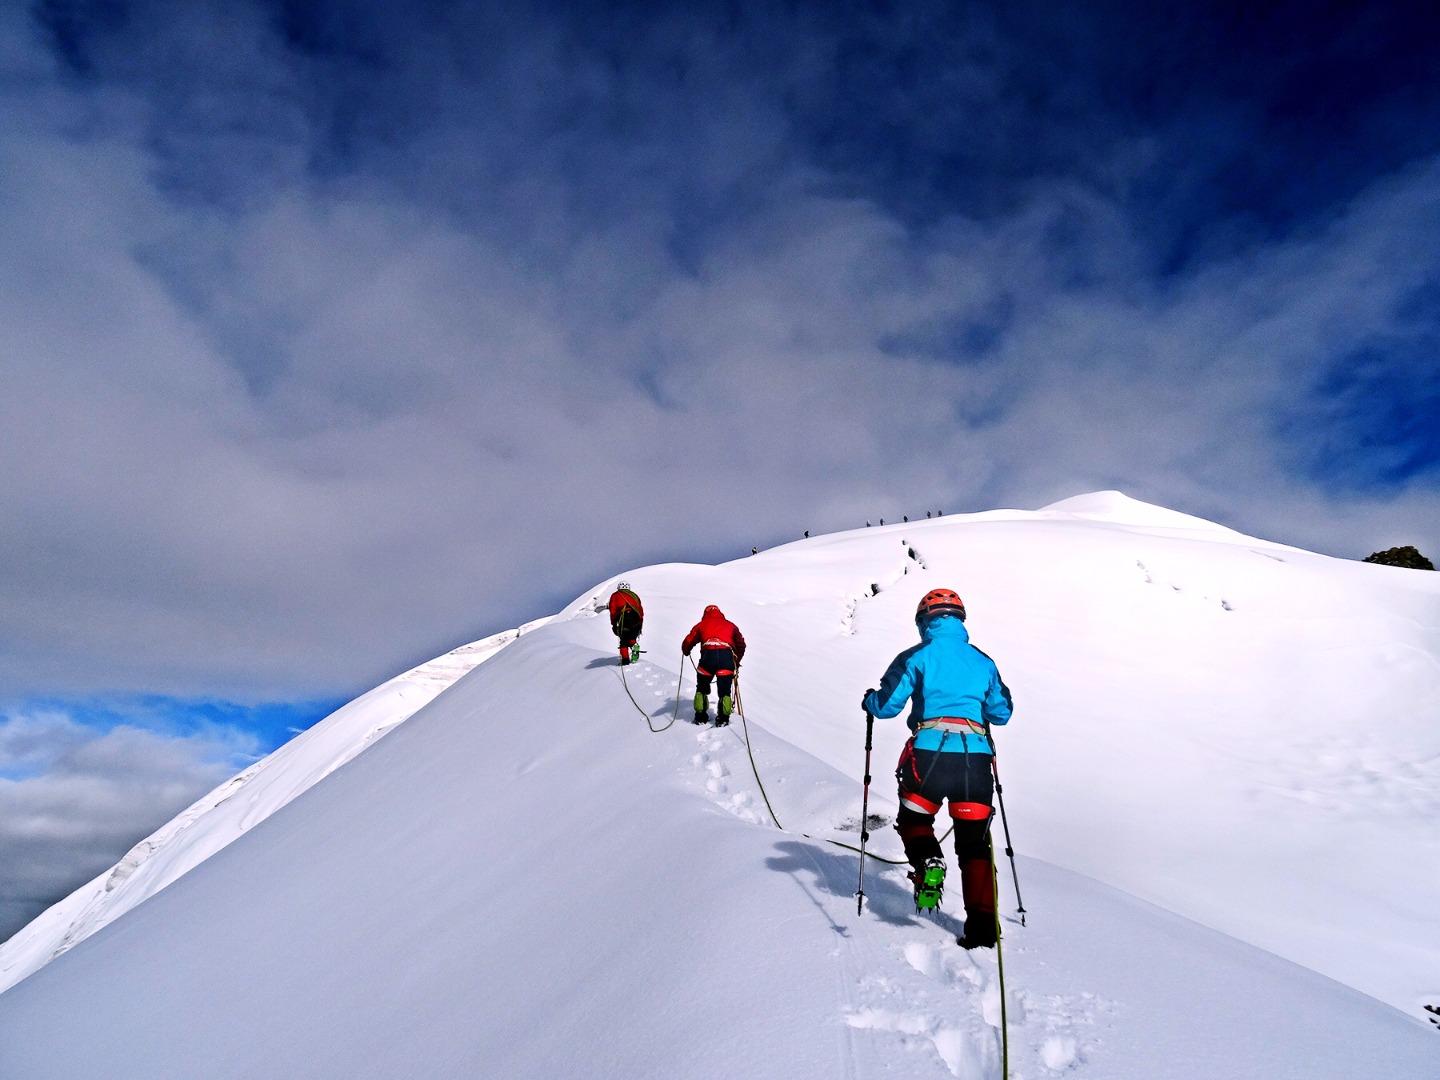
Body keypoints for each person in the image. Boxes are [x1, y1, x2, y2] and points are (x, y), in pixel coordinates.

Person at [861, 588, 1012, 948]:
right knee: (975, 846)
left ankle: (929, 861)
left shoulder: (916, 657)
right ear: (960, 619)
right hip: (975, 760)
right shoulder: (983, 661)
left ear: (923, 622)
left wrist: (870, 699)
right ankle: (983, 930)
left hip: (928, 755)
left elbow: (886, 706)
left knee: (915, 821)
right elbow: (1002, 713)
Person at [682, 604, 746, 726]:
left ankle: (700, 717)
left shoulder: (701, 625)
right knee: (725, 692)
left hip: (708, 657)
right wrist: (736, 661)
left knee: (701, 688)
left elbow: (689, 641)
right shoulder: (730, 625)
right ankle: (723, 718)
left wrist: (686, 650)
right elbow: (741, 644)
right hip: (726, 658)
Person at [607, 583, 644, 665]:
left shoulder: (615, 595)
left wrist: (613, 624)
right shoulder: (634, 595)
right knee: (631, 636)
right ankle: (634, 646)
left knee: (623, 641)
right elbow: (640, 609)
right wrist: (640, 623)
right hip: (636, 619)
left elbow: (612, 610)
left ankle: (625, 660)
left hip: (623, 619)